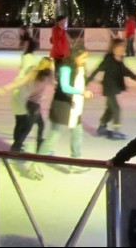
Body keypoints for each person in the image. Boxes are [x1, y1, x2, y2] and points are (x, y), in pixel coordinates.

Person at [35, 47, 94, 175]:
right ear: (75, 57)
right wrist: (82, 92)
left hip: (74, 106)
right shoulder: (65, 68)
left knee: (77, 132)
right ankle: (36, 163)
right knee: (54, 135)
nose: (85, 60)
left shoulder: (80, 68)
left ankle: (75, 162)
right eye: (83, 57)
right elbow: (65, 87)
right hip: (62, 105)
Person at [0, 54, 54, 152]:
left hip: (29, 103)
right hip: (34, 105)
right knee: (27, 127)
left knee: (40, 124)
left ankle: (37, 144)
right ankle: (16, 147)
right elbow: (56, 84)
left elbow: (19, 83)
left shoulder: (33, 73)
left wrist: (3, 88)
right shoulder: (48, 74)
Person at [87, 38, 136, 140]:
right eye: (120, 47)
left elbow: (124, 70)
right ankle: (116, 130)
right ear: (114, 48)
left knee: (110, 109)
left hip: (115, 86)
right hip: (108, 87)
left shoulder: (120, 59)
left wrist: (134, 77)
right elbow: (98, 69)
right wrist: (87, 80)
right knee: (116, 108)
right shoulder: (109, 59)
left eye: (123, 46)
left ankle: (102, 126)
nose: (122, 48)